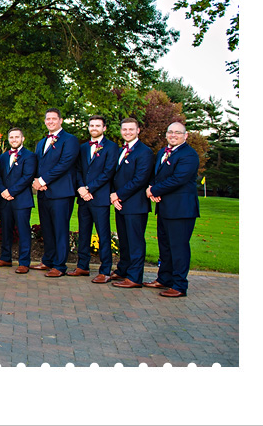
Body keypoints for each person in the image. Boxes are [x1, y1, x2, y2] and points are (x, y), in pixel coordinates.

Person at [144, 121, 201, 298]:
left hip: (181, 210)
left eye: (178, 132)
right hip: (165, 208)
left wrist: (154, 190)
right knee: (165, 247)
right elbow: (157, 175)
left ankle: (179, 285)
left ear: (186, 135)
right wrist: (152, 187)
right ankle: (164, 279)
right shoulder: (163, 152)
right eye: (170, 132)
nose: (173, 135)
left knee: (179, 248)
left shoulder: (189, 155)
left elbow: (178, 179)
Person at [69, 115, 118, 282]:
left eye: (98, 125)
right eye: (91, 125)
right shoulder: (82, 148)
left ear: (104, 128)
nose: (94, 128)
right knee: (83, 233)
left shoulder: (111, 147)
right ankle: (82, 266)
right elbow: (78, 170)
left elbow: (108, 171)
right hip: (84, 197)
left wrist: (89, 188)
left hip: (100, 198)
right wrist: (82, 189)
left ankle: (105, 271)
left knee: (103, 235)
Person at [31, 108, 79, 277]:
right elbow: (37, 165)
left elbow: (65, 164)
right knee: (47, 229)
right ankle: (48, 260)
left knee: (60, 229)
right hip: (44, 193)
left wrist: (43, 180)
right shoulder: (41, 142)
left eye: (54, 118)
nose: (50, 121)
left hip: (61, 193)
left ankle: (60, 265)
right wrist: (36, 181)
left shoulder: (70, 140)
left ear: (61, 120)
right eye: (48, 119)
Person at [109, 117, 154, 289]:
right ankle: (123, 269)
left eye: (131, 129)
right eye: (124, 129)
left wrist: (118, 195)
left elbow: (140, 179)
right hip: (120, 203)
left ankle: (135, 277)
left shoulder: (144, 152)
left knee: (135, 241)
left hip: (135, 204)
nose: (127, 132)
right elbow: (115, 175)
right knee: (124, 240)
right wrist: (114, 195)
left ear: (138, 131)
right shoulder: (122, 150)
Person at [0, 127, 37, 273]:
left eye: (17, 137)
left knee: (23, 231)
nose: (14, 139)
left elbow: (27, 177)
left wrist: (11, 191)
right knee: (6, 230)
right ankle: (5, 258)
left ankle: (24, 262)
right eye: (11, 137)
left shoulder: (30, 156)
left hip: (22, 200)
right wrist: (3, 191)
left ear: (22, 138)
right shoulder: (4, 156)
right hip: (5, 199)